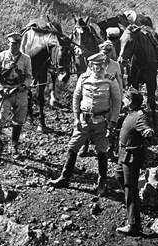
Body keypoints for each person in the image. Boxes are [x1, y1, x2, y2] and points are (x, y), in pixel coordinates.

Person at [49, 52, 122, 195]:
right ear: (90, 66)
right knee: (73, 146)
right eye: (96, 65)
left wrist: (113, 121)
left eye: (102, 65)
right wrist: (76, 118)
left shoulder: (110, 80)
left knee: (102, 150)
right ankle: (65, 177)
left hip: (102, 122)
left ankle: (102, 182)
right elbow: (76, 98)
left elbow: (117, 101)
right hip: (84, 120)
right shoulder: (83, 79)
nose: (99, 68)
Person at [0, 32, 33, 162]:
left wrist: (25, 85)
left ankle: (14, 147)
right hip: (5, 93)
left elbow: (29, 76)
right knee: (0, 120)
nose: (14, 46)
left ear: (20, 44)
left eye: (17, 43)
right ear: (8, 43)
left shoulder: (26, 59)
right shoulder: (0, 56)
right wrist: (1, 90)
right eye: (12, 43)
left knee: (19, 120)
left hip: (20, 93)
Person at [116, 88, 154, 236]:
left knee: (130, 189)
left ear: (131, 102)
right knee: (119, 178)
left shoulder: (139, 116)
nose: (123, 101)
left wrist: (148, 132)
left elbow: (146, 128)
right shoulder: (130, 113)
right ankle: (132, 204)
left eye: (125, 98)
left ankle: (134, 225)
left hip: (131, 157)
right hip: (123, 155)